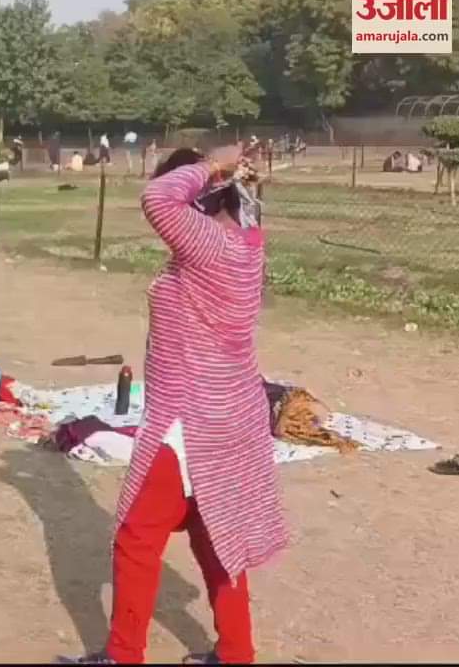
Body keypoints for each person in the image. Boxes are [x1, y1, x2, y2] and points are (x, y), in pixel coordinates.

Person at [69, 146, 287, 665]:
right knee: (217, 541)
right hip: (231, 415)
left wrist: (214, 162)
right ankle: (236, 652)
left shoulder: (208, 244)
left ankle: (124, 655)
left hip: (191, 421)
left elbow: (158, 198)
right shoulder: (244, 242)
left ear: (200, 194)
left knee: (136, 539)